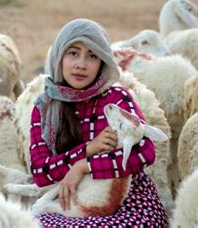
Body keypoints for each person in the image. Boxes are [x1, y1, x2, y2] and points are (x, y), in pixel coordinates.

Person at [29, 18, 168, 227]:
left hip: (128, 200)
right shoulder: (45, 109)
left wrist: (84, 166)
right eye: (73, 53)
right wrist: (87, 150)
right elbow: (40, 172)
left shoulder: (116, 99)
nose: (81, 64)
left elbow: (144, 152)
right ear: (59, 56)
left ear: (102, 62)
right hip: (73, 200)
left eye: (92, 56)